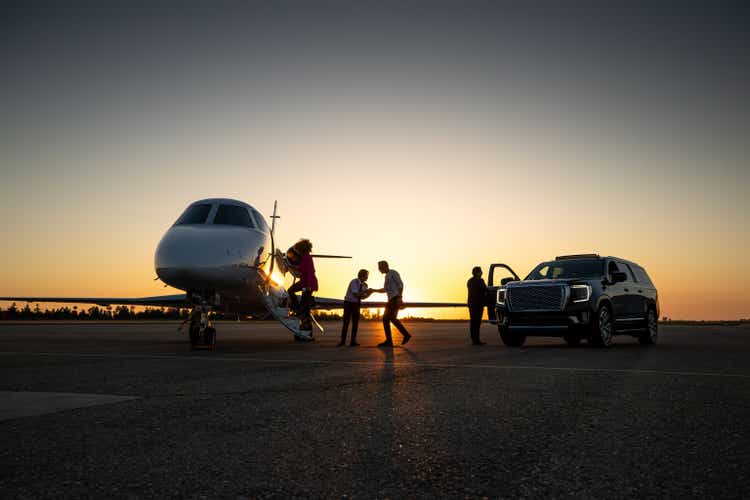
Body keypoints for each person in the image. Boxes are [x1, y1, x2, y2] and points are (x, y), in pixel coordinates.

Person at [370, 260, 411, 347]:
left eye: (380, 268)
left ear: (384, 266)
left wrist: (400, 298)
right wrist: (374, 290)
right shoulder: (387, 276)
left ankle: (390, 341)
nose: (379, 270)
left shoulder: (393, 273)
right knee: (391, 318)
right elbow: (385, 290)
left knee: (386, 318)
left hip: (395, 299)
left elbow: (400, 285)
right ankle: (405, 335)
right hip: (391, 299)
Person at [286, 239, 318, 334]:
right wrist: (292, 267)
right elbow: (302, 269)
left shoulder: (307, 258)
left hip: (308, 283)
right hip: (305, 282)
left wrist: (307, 287)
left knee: (305, 308)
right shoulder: (306, 257)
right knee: (291, 290)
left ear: (302, 249)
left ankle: (308, 331)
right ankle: (298, 309)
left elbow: (309, 272)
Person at [339, 269, 372, 347]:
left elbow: (363, 297)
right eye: (366, 276)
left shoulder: (364, 285)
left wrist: (369, 293)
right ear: (362, 276)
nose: (367, 278)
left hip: (356, 304)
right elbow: (355, 294)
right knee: (346, 322)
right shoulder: (354, 282)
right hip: (349, 303)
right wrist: (366, 291)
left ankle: (353, 341)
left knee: (355, 323)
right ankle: (342, 341)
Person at [467, 266, 488, 345]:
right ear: (477, 272)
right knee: (477, 323)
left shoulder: (469, 281)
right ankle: (477, 340)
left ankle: (474, 340)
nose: (482, 273)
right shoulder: (480, 281)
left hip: (471, 304)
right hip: (478, 304)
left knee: (473, 322)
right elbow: (485, 290)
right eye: (480, 271)